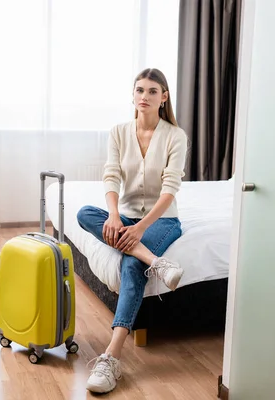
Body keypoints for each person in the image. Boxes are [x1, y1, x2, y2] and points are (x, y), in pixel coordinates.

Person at [76, 68, 188, 394]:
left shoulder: (175, 137)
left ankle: (111, 357)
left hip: (161, 221)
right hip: (123, 216)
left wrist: (140, 228)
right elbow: (111, 177)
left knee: (130, 264)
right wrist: (113, 216)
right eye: (139, 90)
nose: (144, 96)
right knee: (85, 213)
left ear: (164, 97)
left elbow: (170, 190)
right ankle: (157, 262)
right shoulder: (119, 132)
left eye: (153, 91)